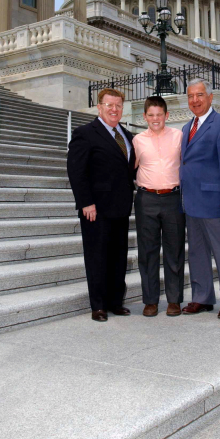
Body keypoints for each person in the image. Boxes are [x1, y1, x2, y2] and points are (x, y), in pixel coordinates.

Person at [67, 88, 136, 322]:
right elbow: (77, 171)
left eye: (118, 105)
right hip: (96, 208)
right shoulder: (85, 133)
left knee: (118, 256)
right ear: (99, 107)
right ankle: (98, 305)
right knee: (97, 256)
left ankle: (115, 301)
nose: (114, 109)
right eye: (109, 105)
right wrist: (86, 202)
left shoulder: (127, 136)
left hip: (121, 206)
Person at [180, 78, 220, 318]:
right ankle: (202, 298)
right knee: (196, 252)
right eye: (190, 96)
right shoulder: (186, 128)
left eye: (199, 95)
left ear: (210, 97)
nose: (195, 100)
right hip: (191, 201)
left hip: (215, 202)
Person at [133, 96, 185, 317]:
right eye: (151, 115)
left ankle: (174, 300)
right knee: (148, 252)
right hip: (146, 200)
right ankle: (150, 301)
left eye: (159, 115)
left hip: (173, 198)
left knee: (174, 251)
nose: (155, 119)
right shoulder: (137, 140)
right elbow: (128, 169)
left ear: (167, 116)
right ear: (144, 117)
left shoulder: (179, 137)